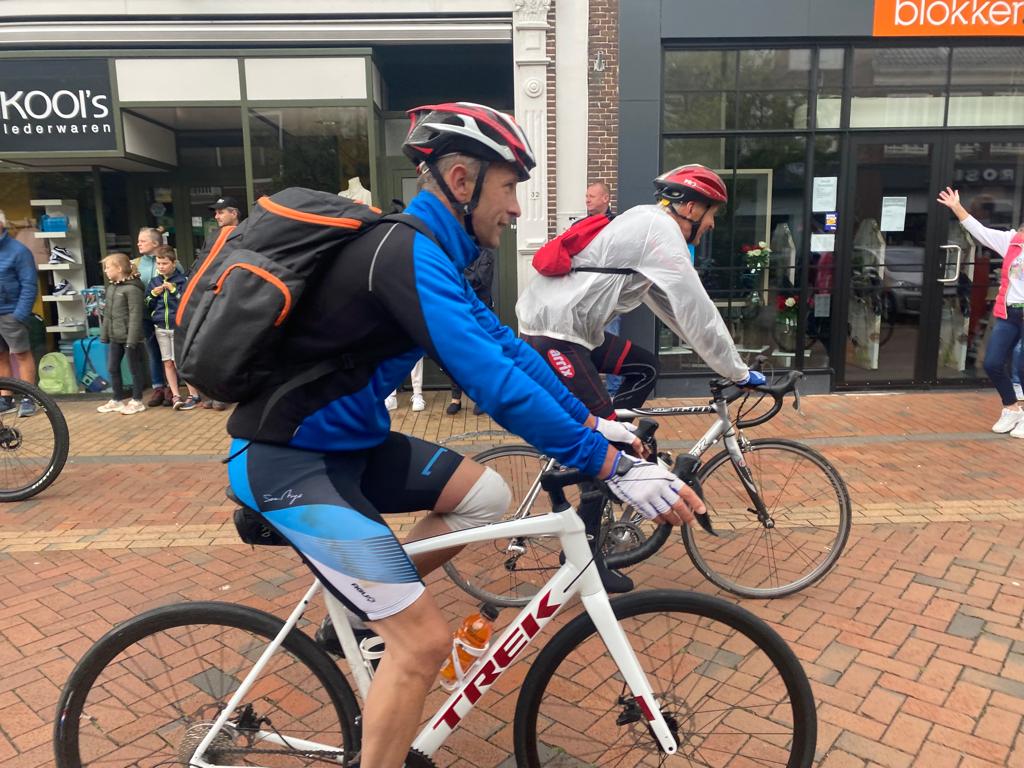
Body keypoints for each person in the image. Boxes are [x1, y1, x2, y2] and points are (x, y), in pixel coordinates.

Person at [225, 101, 703, 768]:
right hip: (287, 461)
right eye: (508, 188)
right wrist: (608, 465)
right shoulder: (404, 255)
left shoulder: (435, 255)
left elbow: (507, 351)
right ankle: (382, 629)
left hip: (348, 449)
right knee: (422, 642)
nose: (514, 208)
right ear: (460, 180)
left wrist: (590, 423)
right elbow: (492, 383)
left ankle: (365, 610)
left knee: (484, 495)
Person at [517, 164, 764, 418]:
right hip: (555, 334)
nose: (712, 224)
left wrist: (729, 367)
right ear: (691, 209)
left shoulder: (647, 220)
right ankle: (612, 438)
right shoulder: (660, 231)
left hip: (570, 330)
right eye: (712, 214)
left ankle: (621, 435)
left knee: (646, 368)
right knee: (604, 430)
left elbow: (676, 311)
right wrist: (739, 373)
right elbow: (697, 311)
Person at [938, 187, 1024, 437]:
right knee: (992, 363)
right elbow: (980, 231)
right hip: (1009, 313)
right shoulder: (1011, 242)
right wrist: (957, 207)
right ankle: (1011, 408)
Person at [199, 197, 243, 411]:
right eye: (215, 212)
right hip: (212, 295)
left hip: (233, 297)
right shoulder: (212, 237)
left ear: (234, 213)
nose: (216, 216)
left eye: (221, 212)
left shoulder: (246, 233)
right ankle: (212, 392)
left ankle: (226, 393)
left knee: (230, 347)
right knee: (211, 346)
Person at [145, 245, 199, 410]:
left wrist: (174, 290)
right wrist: (153, 294)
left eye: (165, 263)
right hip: (161, 327)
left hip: (178, 327)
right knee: (167, 362)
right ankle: (176, 395)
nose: (161, 267)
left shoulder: (182, 280)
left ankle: (194, 394)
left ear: (174, 263)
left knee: (179, 362)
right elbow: (147, 303)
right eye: (159, 263)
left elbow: (188, 302)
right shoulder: (154, 282)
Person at [584, 181, 624, 397]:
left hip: (610, 295)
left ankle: (614, 392)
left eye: (591, 196)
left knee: (611, 342)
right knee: (583, 344)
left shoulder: (619, 226)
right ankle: (590, 391)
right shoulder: (580, 226)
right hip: (586, 296)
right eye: (586, 196)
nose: (587, 200)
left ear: (605, 198)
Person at [0, 209, 40, 417]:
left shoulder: (18, 251)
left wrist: (20, 314)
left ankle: (28, 398)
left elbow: (29, 284)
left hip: (11, 313)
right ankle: (5, 399)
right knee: (0, 357)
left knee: (22, 355)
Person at [447, 247, 495, 415]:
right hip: (458, 311)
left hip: (480, 313)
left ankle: (481, 398)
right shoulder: (457, 251)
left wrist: (459, 276)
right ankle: (456, 398)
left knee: (480, 355)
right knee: (456, 355)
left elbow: (479, 279)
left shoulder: (486, 255)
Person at [97, 252, 147, 415]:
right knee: (112, 368)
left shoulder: (133, 289)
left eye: (108, 267)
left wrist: (132, 340)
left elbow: (135, 316)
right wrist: (105, 334)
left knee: (135, 369)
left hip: (131, 338)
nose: (105, 270)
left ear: (119, 268)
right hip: (115, 337)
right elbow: (108, 314)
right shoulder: (112, 287)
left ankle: (137, 400)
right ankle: (117, 399)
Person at [134, 227, 176, 407]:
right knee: (153, 352)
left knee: (171, 354)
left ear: (155, 243)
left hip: (167, 316)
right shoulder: (135, 264)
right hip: (146, 316)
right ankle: (158, 387)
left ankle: (172, 388)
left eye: (142, 241)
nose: (138, 244)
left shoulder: (172, 263)